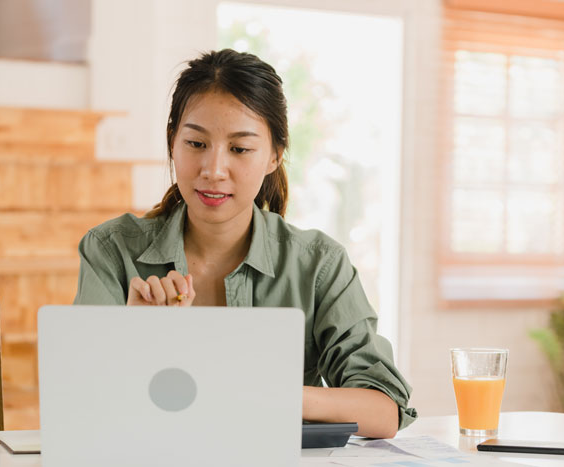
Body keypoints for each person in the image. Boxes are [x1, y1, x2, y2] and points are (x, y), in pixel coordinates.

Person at [73, 49, 417, 438]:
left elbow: (383, 410)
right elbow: (80, 407)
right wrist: (134, 340)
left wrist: (267, 392)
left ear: (274, 156)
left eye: (239, 149)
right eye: (196, 144)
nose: (214, 170)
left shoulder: (318, 265)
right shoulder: (111, 249)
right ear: (173, 142)